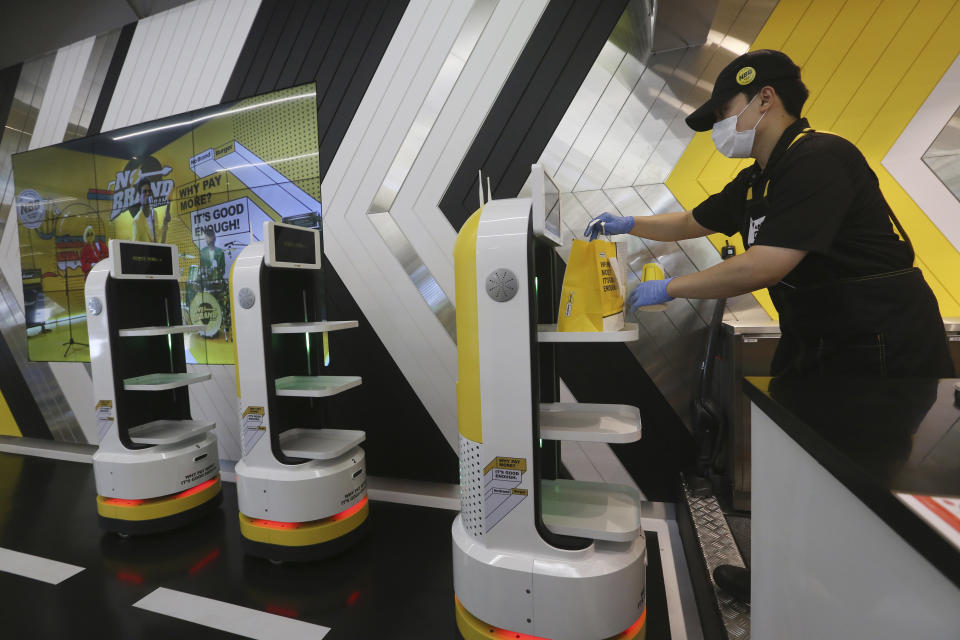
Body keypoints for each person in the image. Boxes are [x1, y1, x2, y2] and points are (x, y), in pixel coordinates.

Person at [585, 49, 955, 599]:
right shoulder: (759, 178)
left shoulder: (820, 159)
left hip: (880, 345)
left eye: (722, 112)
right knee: (795, 467)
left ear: (765, 97)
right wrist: (628, 221)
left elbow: (767, 264)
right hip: (816, 339)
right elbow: (691, 220)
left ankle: (854, 600)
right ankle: (783, 582)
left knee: (860, 477)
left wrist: (668, 287)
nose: (719, 129)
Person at [131, 177, 170, 243]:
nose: (148, 194)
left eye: (149, 191)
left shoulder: (154, 213)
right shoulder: (137, 221)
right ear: (139, 196)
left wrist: (165, 221)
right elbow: (135, 245)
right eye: (144, 191)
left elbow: (157, 239)